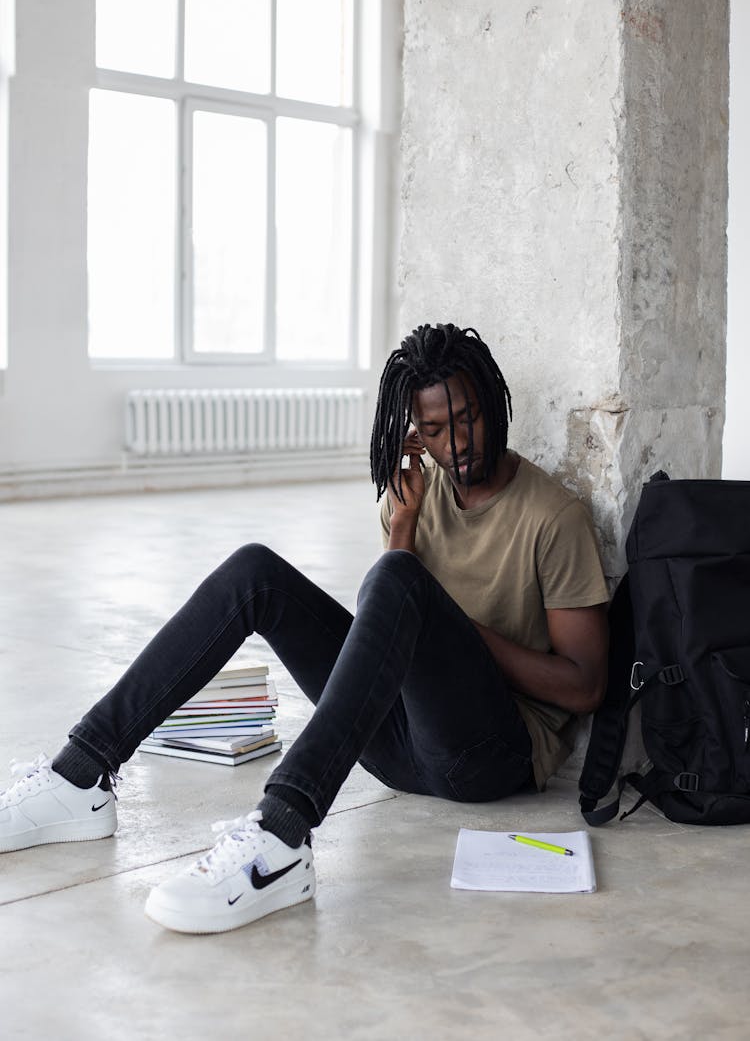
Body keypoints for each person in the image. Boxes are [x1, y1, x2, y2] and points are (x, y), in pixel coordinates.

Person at [0, 322, 609, 934]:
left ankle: (281, 831)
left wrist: (456, 626)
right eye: (434, 431)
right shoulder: (415, 496)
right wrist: (404, 521)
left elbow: (584, 686)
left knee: (398, 582)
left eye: (467, 419)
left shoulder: (551, 516)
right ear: (414, 435)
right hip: (396, 748)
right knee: (255, 572)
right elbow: (396, 621)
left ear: (492, 405)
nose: (457, 444)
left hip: (486, 758)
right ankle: (79, 773)